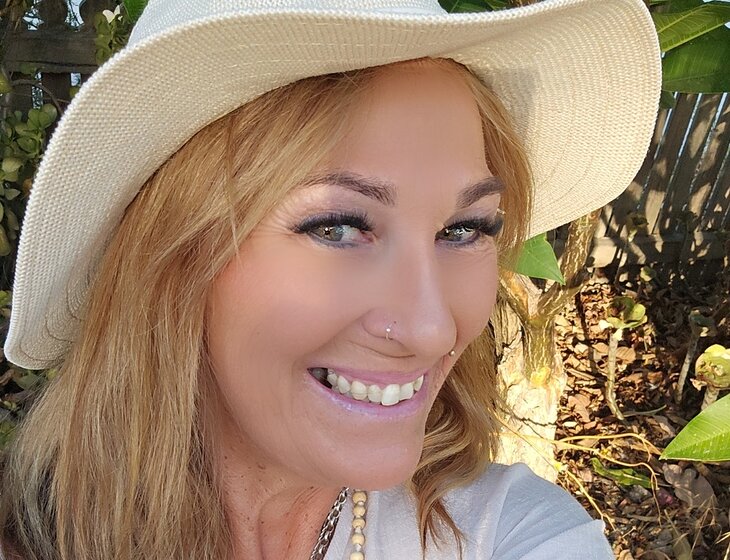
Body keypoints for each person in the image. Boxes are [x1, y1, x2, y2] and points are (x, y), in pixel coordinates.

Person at [0, 0, 660, 558]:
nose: (432, 330)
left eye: (465, 229)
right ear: (171, 259)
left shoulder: (507, 533)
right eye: (339, 228)